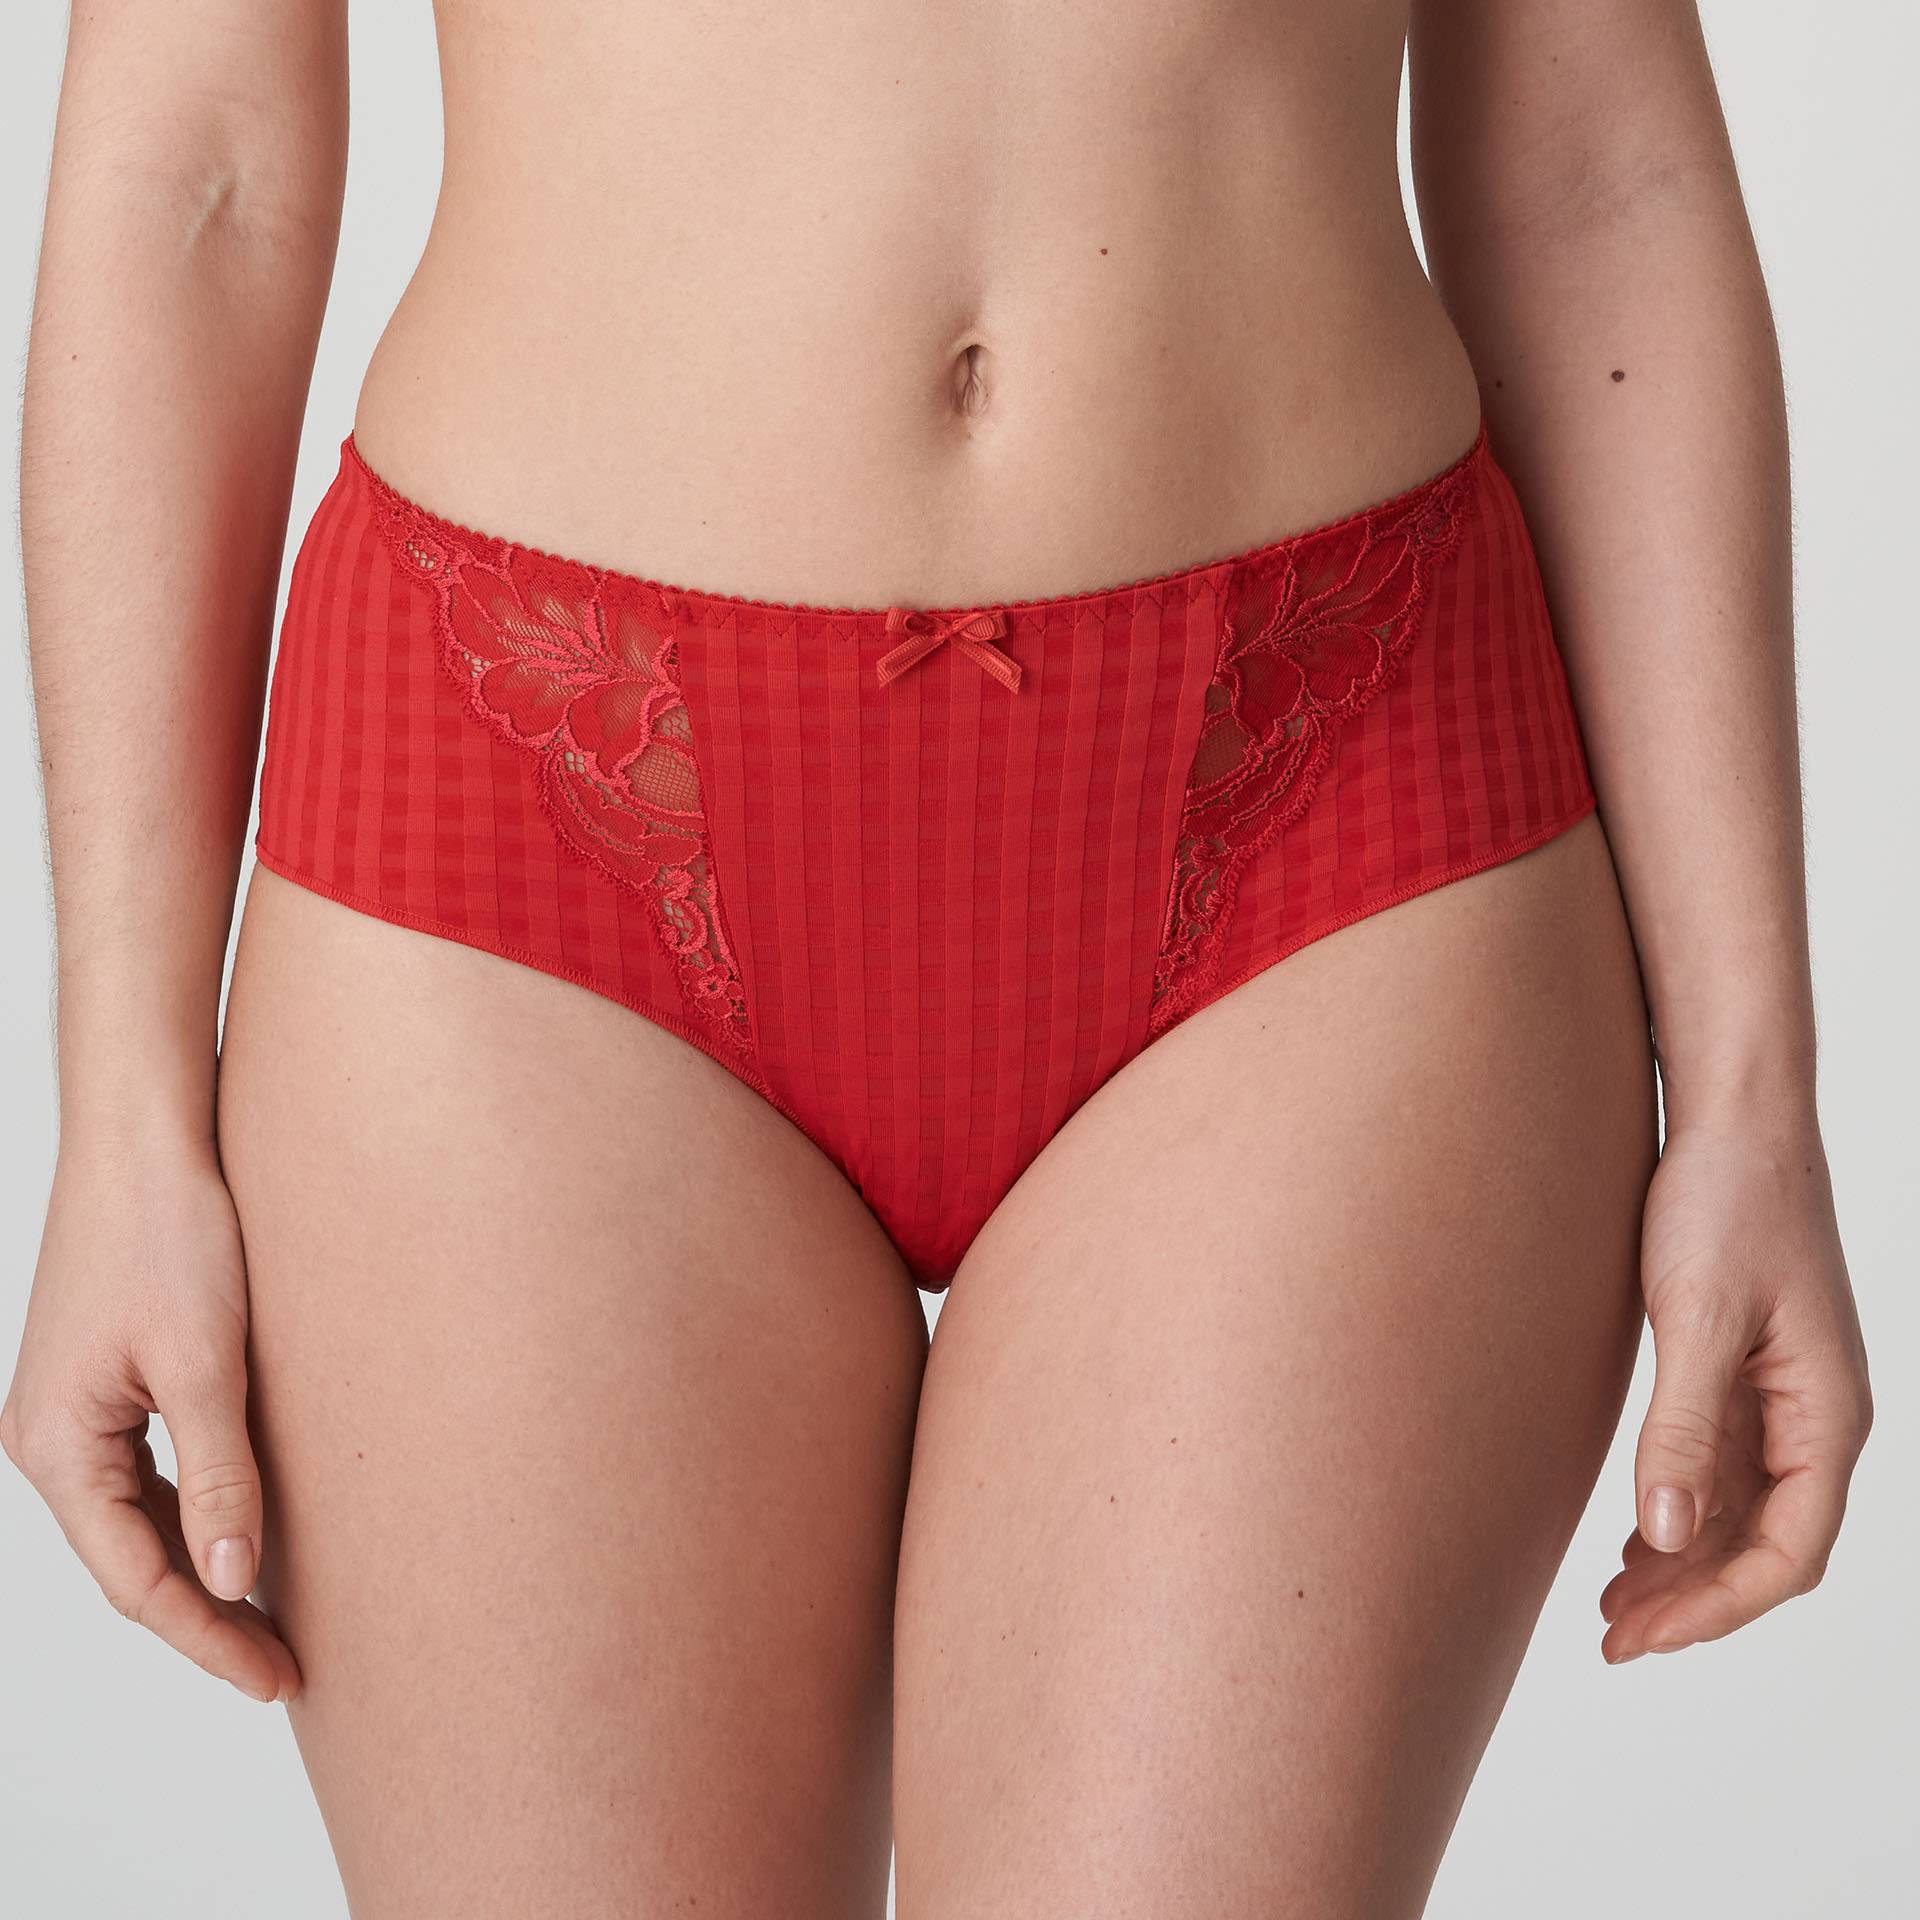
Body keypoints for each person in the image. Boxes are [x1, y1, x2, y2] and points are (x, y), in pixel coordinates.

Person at [3, 2, 1872, 1913]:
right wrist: (121, 1114)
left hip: (1331, 802)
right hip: (521, 837)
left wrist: (1753, 1096)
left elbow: (1593, 167)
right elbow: (198, 172)